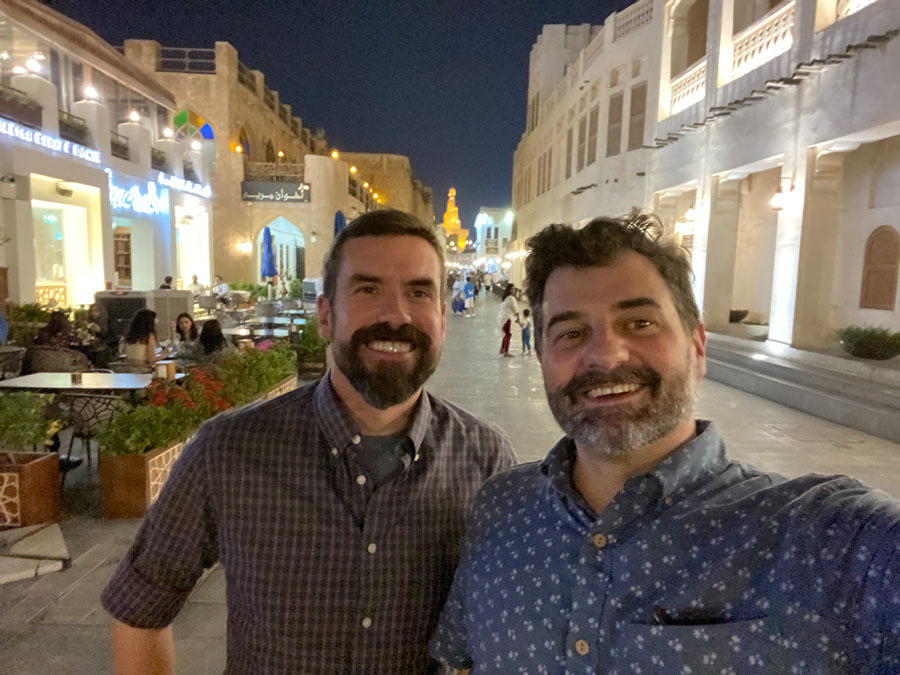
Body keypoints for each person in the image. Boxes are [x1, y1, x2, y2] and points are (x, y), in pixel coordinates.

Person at [429, 211, 900, 674]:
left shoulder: (824, 542)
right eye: (571, 333)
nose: (605, 355)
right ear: (543, 359)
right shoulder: (502, 508)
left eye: (639, 323)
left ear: (697, 347)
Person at [102, 209, 517, 674]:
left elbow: (500, 634)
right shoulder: (228, 451)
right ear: (325, 314)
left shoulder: (485, 460)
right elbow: (140, 611)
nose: (396, 314)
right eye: (367, 289)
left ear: (442, 317)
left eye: (419, 292)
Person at [497, 282, 519, 357]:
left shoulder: (505, 298)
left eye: (514, 289)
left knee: (506, 334)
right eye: (513, 289)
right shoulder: (511, 298)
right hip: (507, 319)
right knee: (508, 335)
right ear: (509, 290)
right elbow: (515, 310)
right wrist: (518, 319)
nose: (514, 290)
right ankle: (506, 352)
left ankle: (502, 349)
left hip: (502, 318)